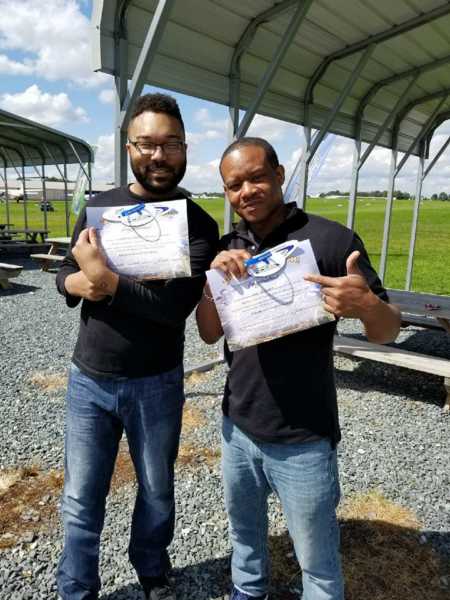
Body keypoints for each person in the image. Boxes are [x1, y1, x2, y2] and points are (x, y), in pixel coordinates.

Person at [196, 137, 400, 600]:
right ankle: (247, 593)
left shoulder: (331, 240)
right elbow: (209, 333)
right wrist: (213, 281)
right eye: (234, 185)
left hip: (304, 435)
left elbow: (387, 331)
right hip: (237, 426)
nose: (246, 191)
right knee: (245, 541)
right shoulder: (230, 246)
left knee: (318, 564)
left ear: (280, 174)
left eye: (256, 177)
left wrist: (366, 304)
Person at [55, 93, 219, 600]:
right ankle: (75, 588)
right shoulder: (100, 208)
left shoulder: (199, 226)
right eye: (147, 143)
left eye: (170, 144)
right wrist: (78, 285)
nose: (158, 155)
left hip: (157, 383)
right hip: (90, 378)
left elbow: (171, 309)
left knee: (156, 491)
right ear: (129, 147)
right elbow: (65, 272)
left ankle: (151, 570)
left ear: (185, 148)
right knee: (81, 497)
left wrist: (105, 279)